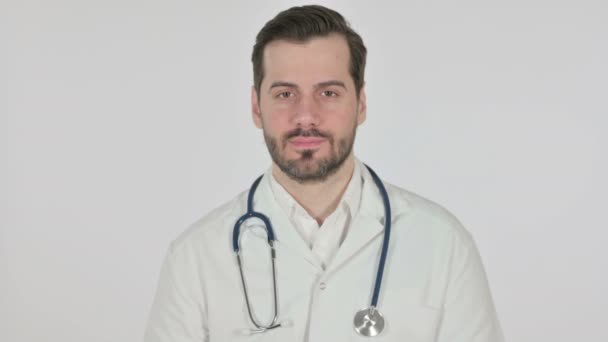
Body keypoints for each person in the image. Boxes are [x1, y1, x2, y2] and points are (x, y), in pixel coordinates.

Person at [144, 5, 504, 342]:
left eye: (328, 93)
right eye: (285, 94)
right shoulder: (195, 258)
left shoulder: (444, 247)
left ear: (360, 104)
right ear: (256, 107)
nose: (306, 116)